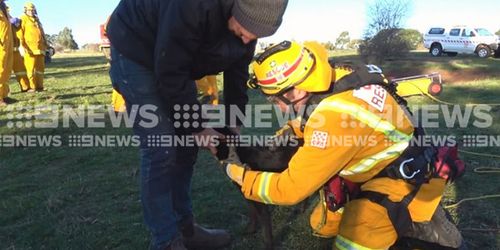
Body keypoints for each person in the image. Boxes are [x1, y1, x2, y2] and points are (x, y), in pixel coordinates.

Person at [221, 41, 465, 249]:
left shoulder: (333, 118)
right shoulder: (337, 78)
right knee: (320, 224)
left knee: (353, 240)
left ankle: (416, 222)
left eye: (275, 99)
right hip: (392, 157)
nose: (275, 106)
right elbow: (308, 122)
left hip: (395, 182)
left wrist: (240, 175)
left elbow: (291, 189)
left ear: (296, 90)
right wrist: (279, 138)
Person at [107, 0, 288, 249]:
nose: (249, 40)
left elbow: (237, 74)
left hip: (172, 59)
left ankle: (186, 229)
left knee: (185, 146)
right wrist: (199, 127)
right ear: (236, 9)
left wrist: (233, 125)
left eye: (257, 36)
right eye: (248, 30)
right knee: (162, 148)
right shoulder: (192, 6)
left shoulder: (249, 26)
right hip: (137, 50)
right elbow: (170, 70)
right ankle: (167, 240)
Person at [20, 2, 46, 92]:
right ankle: (32, 87)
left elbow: (42, 33)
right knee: (30, 69)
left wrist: (47, 46)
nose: (31, 11)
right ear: (25, 10)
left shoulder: (37, 19)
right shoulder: (23, 18)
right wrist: (21, 45)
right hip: (29, 48)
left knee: (40, 69)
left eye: (32, 10)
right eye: (29, 10)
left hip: (40, 48)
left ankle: (40, 86)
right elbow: (20, 33)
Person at [8, 10, 30, 92]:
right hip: (4, 50)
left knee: (20, 70)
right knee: (4, 72)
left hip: (15, 50)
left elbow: (17, 28)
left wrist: (17, 22)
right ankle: (3, 93)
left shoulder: (8, 18)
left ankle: (25, 87)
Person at [0, 0, 13, 106]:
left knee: (6, 70)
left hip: (7, 43)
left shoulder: (3, 7)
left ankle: (4, 95)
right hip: (0, 43)